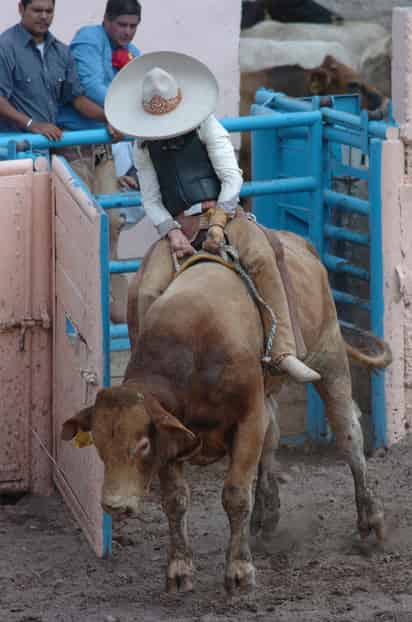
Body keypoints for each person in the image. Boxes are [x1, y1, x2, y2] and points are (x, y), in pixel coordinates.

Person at [105, 52, 321, 383]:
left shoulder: (206, 124)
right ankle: (146, 371)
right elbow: (150, 197)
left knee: (264, 255)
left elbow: (232, 177)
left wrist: (219, 221)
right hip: (179, 227)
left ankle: (283, 349)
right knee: (145, 291)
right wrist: (172, 232)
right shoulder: (143, 146)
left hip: (224, 213)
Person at [57, 0, 143, 323]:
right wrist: (130, 112)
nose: (128, 31)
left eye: (133, 25)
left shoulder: (130, 50)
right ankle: (77, 312)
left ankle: (116, 311)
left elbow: (144, 88)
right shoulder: (87, 39)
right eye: (122, 24)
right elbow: (90, 88)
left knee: (111, 223)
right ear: (106, 20)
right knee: (80, 226)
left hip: (103, 149)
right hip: (74, 147)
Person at [0, 0, 115, 139]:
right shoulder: (5, 47)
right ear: (21, 9)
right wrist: (31, 124)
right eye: (37, 10)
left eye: (49, 11)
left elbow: (78, 100)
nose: (43, 16)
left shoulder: (61, 52)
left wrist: (111, 120)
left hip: (47, 146)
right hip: (12, 151)